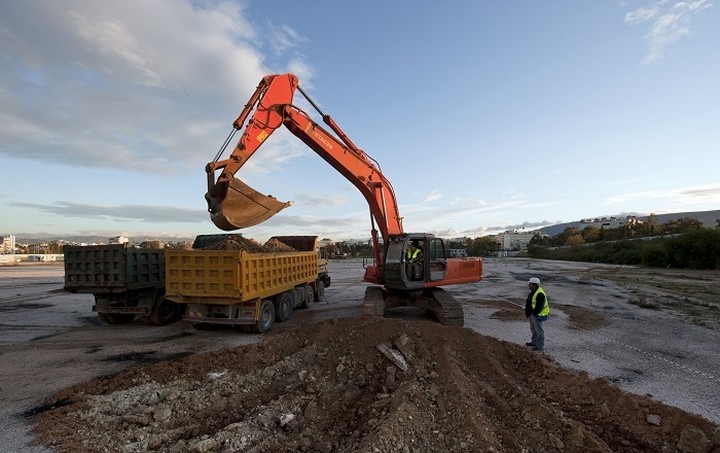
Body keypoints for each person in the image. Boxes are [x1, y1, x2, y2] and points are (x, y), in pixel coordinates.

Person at [525, 277, 550, 351]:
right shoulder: (533, 291)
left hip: (537, 315)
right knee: (533, 329)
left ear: (534, 285)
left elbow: (539, 306)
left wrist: (534, 313)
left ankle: (539, 346)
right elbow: (531, 302)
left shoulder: (540, 294)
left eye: (530, 283)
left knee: (539, 330)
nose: (528, 285)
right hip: (532, 314)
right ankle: (534, 342)